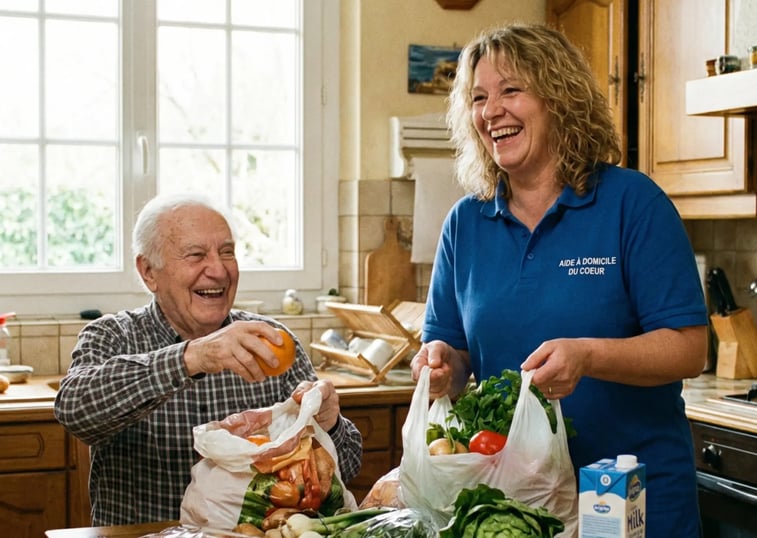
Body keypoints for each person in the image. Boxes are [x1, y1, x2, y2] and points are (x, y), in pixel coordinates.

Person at [410, 23, 707, 537]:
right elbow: (455, 357)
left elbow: (688, 349)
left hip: (632, 503)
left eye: (510, 90)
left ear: (559, 99)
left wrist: (588, 356)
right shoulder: (465, 223)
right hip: (521, 510)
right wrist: (440, 367)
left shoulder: (632, 203)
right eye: (478, 98)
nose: (491, 111)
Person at [55, 193, 363, 526]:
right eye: (196, 255)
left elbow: (346, 469)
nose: (219, 270)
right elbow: (74, 409)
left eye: (227, 252)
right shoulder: (113, 336)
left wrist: (330, 424)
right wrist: (193, 357)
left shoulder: (271, 341)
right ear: (148, 272)